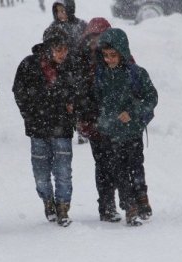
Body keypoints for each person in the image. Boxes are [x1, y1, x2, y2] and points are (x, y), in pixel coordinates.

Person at [13, 27, 77, 227]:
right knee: (41, 172)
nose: (62, 54)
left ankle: (63, 207)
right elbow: (19, 90)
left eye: (65, 49)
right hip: (38, 129)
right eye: (58, 49)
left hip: (63, 128)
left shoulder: (71, 66)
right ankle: (47, 201)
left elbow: (80, 89)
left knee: (63, 171)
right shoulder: (29, 64)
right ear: (48, 48)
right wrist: (30, 113)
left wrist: (73, 105)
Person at [94, 28, 158, 226]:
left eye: (113, 55)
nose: (109, 60)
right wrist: (104, 121)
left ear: (122, 52)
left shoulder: (136, 73)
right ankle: (129, 205)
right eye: (105, 56)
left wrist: (133, 112)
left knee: (136, 166)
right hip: (112, 133)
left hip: (132, 131)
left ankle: (141, 199)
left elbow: (151, 97)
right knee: (119, 170)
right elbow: (98, 101)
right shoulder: (102, 75)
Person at [75, 17, 123, 223]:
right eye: (92, 37)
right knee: (103, 164)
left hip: (118, 122)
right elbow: (77, 91)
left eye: (100, 36)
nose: (95, 41)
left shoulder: (118, 55)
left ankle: (128, 202)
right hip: (95, 121)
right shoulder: (81, 60)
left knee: (121, 163)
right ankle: (107, 205)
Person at [48, 0, 88, 144]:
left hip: (79, 68)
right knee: (63, 98)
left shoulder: (81, 25)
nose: (60, 14)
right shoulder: (52, 28)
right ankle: (62, 127)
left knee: (81, 97)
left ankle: (82, 127)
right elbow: (47, 48)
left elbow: (88, 44)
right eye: (58, 11)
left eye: (63, 11)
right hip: (60, 69)